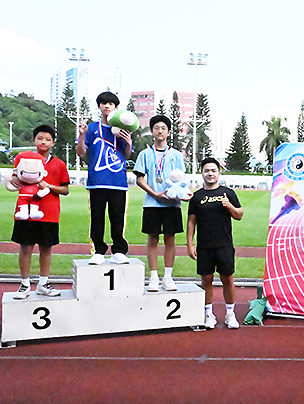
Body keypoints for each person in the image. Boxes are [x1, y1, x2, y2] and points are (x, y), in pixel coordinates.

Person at [11, 125, 70, 299]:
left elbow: (65, 190)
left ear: (53, 143)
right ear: (34, 140)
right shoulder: (23, 160)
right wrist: (14, 180)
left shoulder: (59, 164)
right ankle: (24, 284)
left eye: (47, 139)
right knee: (25, 247)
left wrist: (49, 186)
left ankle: (43, 283)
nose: (43, 142)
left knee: (46, 248)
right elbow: (14, 178)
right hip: (26, 212)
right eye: (40, 138)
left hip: (49, 213)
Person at [187, 158, 243, 329]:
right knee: (206, 280)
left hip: (224, 245)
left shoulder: (228, 193)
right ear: (202, 173)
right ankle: (208, 314)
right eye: (206, 171)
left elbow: (239, 215)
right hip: (204, 246)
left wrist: (229, 206)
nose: (210, 174)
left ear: (219, 173)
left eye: (213, 170)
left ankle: (230, 314)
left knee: (228, 279)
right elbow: (191, 221)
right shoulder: (196, 197)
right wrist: (190, 244)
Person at [76, 91, 132, 265]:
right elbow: (81, 153)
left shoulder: (122, 129)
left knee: (118, 218)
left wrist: (129, 142)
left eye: (111, 103)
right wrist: (82, 134)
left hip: (118, 182)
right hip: (97, 181)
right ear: (99, 106)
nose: (107, 106)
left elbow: (127, 155)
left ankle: (119, 250)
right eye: (103, 103)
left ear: (116, 107)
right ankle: (98, 251)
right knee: (97, 218)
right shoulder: (92, 128)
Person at [134, 115, 187, 291]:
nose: (160, 131)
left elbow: (181, 180)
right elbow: (139, 179)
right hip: (152, 204)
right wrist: (155, 194)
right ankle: (154, 278)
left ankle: (168, 278)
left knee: (170, 239)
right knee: (152, 239)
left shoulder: (176, 155)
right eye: (156, 127)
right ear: (151, 131)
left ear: (169, 132)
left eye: (164, 128)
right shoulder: (144, 154)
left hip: (172, 205)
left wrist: (180, 195)